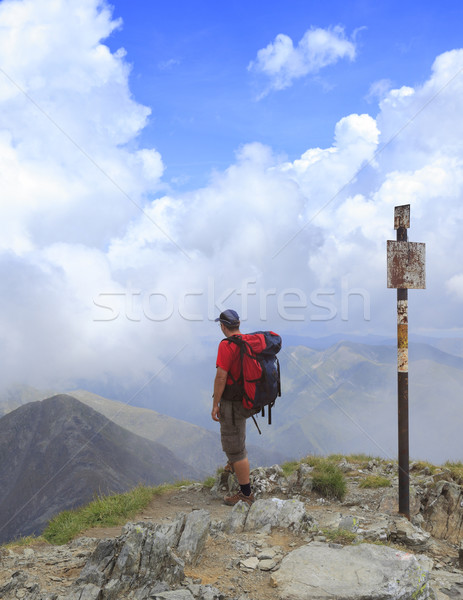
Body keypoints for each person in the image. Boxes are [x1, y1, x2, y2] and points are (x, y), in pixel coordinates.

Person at [211, 309, 255, 506]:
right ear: (238, 324)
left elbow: (221, 376)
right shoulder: (247, 341)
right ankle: (232, 465)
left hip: (232, 402)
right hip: (246, 400)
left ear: (222, 326)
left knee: (236, 449)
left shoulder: (227, 345)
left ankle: (246, 494)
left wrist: (215, 404)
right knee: (237, 437)